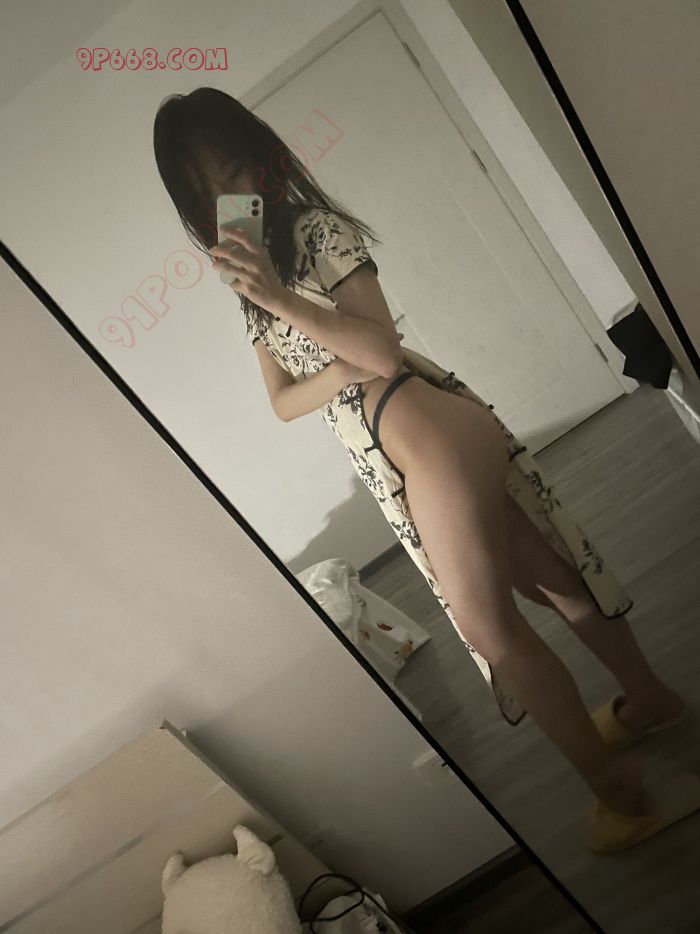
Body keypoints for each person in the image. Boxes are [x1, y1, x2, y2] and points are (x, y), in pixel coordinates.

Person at [153, 87, 699, 853]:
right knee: (548, 581)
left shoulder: (316, 232)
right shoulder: (249, 293)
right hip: (409, 447)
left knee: (492, 633)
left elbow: (380, 349)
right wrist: (327, 361)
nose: (227, 193)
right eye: (204, 186)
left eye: (233, 168)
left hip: (426, 432)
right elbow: (282, 402)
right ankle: (652, 704)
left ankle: (625, 799)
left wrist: (289, 304)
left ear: (262, 158)